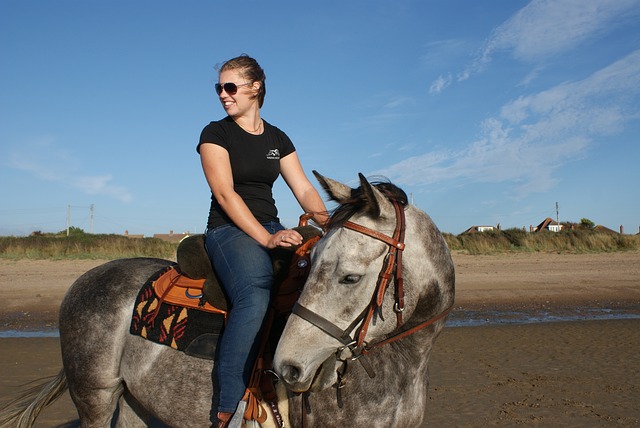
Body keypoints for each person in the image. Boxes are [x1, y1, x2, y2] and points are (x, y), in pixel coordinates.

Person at [197, 54, 328, 427]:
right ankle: (230, 406)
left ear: (256, 88)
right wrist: (267, 239)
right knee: (254, 294)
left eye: (231, 86)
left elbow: (302, 187)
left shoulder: (277, 138)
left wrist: (328, 225)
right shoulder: (215, 134)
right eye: (219, 88)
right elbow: (225, 195)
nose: (223, 94)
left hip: (272, 222)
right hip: (228, 229)